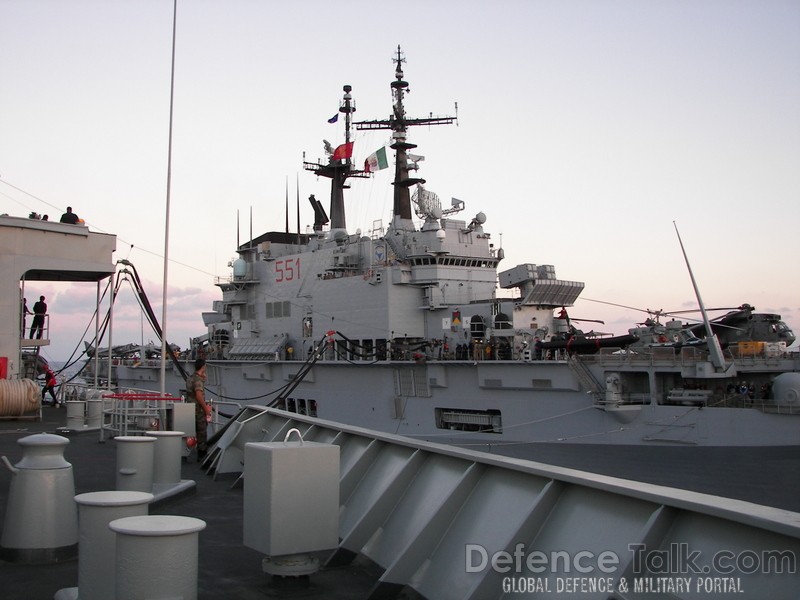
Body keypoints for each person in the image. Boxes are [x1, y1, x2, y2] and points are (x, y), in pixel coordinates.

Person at [185, 358, 211, 460]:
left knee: (191, 432)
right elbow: (199, 395)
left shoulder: (190, 378)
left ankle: (187, 451)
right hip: (198, 410)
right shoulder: (198, 380)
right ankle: (202, 455)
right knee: (202, 433)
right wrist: (206, 409)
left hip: (190, 409)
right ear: (203, 366)